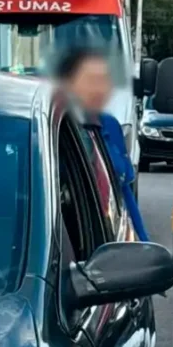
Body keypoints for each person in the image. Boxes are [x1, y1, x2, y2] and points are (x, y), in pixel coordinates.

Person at [54, 48, 150, 242]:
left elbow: (125, 195)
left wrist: (144, 243)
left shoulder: (110, 126)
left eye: (105, 81)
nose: (100, 89)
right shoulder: (54, 130)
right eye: (92, 81)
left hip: (109, 235)